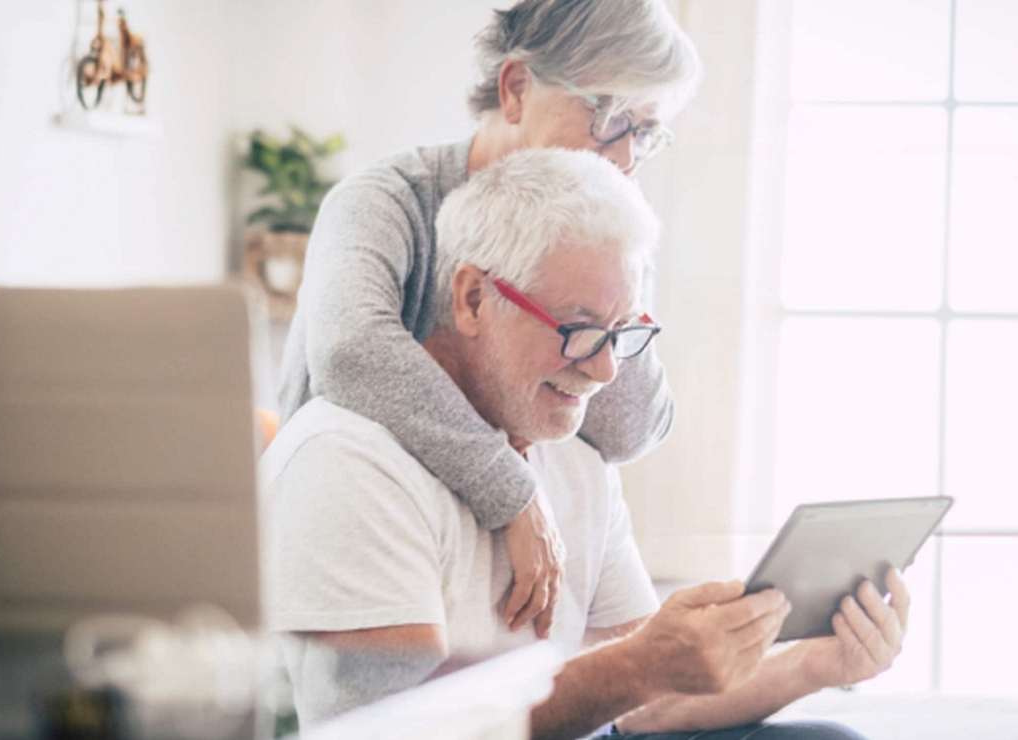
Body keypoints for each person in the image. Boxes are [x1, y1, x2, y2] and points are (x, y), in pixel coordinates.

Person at [262, 149, 909, 738]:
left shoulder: (568, 449)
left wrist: (812, 664)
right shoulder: (349, 461)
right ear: (473, 298)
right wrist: (633, 667)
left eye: (622, 333)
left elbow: (648, 705)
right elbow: (402, 730)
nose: (604, 371)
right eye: (578, 329)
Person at [276, 0, 701, 639]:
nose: (626, 157)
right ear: (516, 88)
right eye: (609, 117)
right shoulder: (387, 201)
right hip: (360, 564)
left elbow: (629, 430)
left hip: (496, 598)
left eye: (645, 131)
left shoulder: (609, 224)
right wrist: (513, 490)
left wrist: (614, 256)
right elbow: (349, 348)